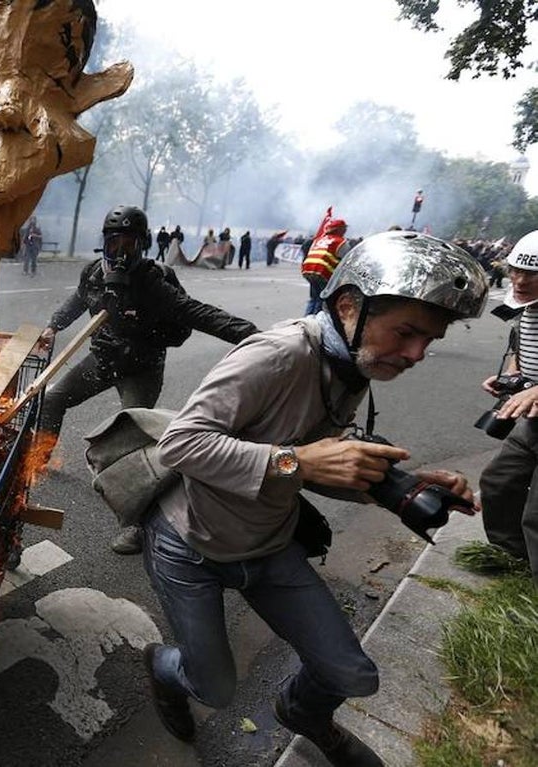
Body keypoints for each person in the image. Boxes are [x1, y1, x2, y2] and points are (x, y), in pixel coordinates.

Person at [143, 231, 486, 766]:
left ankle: (302, 714)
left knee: (353, 675)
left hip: (267, 543)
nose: (417, 354)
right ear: (349, 306)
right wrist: (295, 462)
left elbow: (318, 464)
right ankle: (161, 668)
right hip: (191, 545)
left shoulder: (351, 365)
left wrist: (405, 486)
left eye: (429, 339)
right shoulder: (277, 355)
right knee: (213, 688)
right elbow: (181, 444)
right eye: (407, 332)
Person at [38, 205, 258, 554]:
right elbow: (76, 302)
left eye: (129, 244)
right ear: (104, 243)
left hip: (141, 368)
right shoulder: (93, 274)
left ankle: (138, 526)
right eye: (114, 243)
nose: (120, 253)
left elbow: (195, 315)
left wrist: (252, 335)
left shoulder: (153, 281)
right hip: (103, 361)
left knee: (136, 445)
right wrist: (53, 326)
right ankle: (37, 459)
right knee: (52, 399)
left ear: (142, 246)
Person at [479, 231, 538, 585]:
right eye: (516, 270)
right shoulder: (523, 308)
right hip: (532, 424)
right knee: (498, 482)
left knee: (536, 515)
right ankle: (513, 560)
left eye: (532, 273)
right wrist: (511, 379)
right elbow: (520, 351)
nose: (519, 280)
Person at [301, 212, 348, 315]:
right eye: (344, 228)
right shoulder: (340, 242)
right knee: (323, 299)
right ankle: (315, 321)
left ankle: (306, 318)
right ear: (339, 229)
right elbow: (346, 259)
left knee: (314, 298)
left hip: (308, 270)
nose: (345, 230)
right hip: (323, 272)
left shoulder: (318, 240)